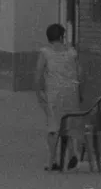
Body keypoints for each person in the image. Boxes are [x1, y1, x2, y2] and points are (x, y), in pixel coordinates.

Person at [34, 23, 82, 171]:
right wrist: (79, 92)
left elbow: (38, 74)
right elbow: (80, 73)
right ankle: (72, 153)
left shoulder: (45, 53)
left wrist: (39, 93)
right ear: (61, 37)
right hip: (71, 93)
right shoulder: (72, 53)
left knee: (53, 127)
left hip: (54, 95)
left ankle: (52, 161)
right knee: (69, 125)